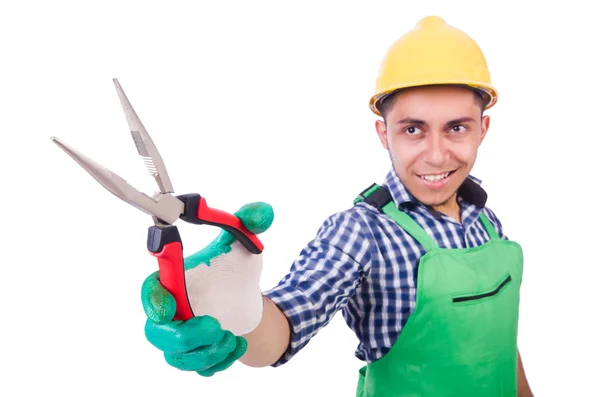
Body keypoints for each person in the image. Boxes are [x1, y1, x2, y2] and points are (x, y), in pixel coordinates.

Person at [141, 15, 534, 396]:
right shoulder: (363, 232)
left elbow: (500, 346)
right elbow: (282, 331)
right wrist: (237, 309)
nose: (435, 155)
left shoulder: (487, 222)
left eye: (456, 128)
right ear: (384, 133)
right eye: (413, 129)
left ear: (482, 129)